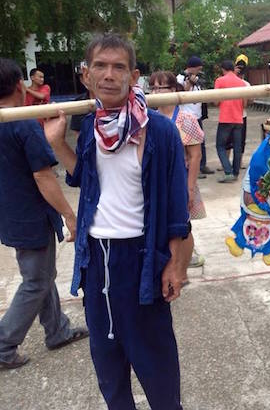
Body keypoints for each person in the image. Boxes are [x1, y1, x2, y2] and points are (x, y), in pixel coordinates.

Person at [43, 34, 189, 409]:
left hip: (141, 259)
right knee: (108, 368)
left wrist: (177, 263)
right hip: (95, 259)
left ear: (134, 75)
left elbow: (176, 206)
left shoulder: (159, 130)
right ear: (86, 76)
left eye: (118, 67)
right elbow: (84, 179)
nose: (109, 75)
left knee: (157, 369)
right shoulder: (91, 127)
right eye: (100, 66)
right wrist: (59, 145)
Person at [0, 58, 88, 370]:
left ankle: (58, 329)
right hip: (29, 217)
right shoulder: (23, 124)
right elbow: (43, 177)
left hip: (12, 215)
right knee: (36, 281)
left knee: (41, 275)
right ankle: (3, 344)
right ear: (18, 86)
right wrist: (69, 214)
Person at [149, 70, 207, 268]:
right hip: (157, 181)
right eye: (153, 88)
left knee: (182, 225)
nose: (155, 93)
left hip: (180, 181)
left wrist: (189, 188)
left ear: (173, 90)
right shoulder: (148, 119)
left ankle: (186, 261)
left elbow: (195, 155)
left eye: (161, 88)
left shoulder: (186, 119)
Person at [177, 56, 213, 178]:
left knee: (200, 141)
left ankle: (202, 165)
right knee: (189, 144)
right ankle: (193, 169)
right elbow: (181, 93)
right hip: (187, 116)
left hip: (197, 115)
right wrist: (190, 81)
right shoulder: (180, 78)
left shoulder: (197, 78)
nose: (199, 71)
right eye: (198, 69)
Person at [214, 59, 247, 183]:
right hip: (238, 119)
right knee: (237, 147)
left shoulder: (220, 81)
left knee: (220, 146)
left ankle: (228, 172)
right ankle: (236, 173)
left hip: (225, 118)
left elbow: (216, 101)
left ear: (223, 69)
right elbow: (245, 103)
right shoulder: (242, 83)